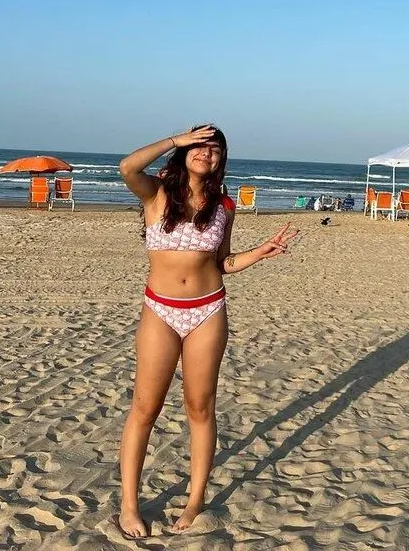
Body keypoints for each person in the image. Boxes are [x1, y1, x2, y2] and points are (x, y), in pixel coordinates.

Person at [116, 124, 298, 539]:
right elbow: (127, 166)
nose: (206, 153)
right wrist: (175, 139)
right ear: (184, 152)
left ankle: (195, 500)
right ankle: (129, 505)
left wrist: (260, 252)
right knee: (145, 408)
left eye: (215, 149)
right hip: (160, 310)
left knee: (200, 408)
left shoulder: (224, 206)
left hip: (208, 310)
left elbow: (223, 263)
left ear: (221, 160)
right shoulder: (156, 194)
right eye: (200, 146)